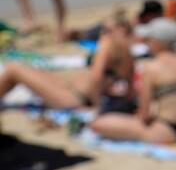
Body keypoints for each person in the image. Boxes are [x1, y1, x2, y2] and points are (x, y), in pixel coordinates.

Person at [90, 18, 176, 143]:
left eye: (149, 40)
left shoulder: (151, 69)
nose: (147, 44)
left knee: (98, 124)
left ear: (157, 43)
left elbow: (144, 117)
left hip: (168, 130)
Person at [0, 14, 134, 111]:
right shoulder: (128, 52)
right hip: (72, 90)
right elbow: (128, 85)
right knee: (31, 70)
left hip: (72, 98)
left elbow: (96, 76)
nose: (102, 34)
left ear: (122, 29)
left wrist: (96, 106)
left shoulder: (108, 43)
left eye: (107, 30)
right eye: (103, 31)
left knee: (13, 69)